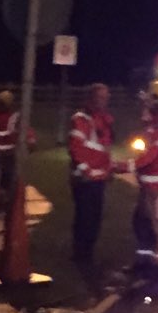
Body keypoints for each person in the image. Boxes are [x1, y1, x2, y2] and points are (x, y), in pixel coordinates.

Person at [116, 79, 158, 270]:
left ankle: (157, 263)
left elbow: (150, 156)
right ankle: (145, 261)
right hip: (153, 187)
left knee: (154, 225)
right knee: (143, 223)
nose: (146, 105)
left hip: (156, 188)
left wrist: (125, 166)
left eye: (149, 101)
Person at [68, 83, 114, 267]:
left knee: (94, 218)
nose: (104, 101)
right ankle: (81, 253)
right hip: (84, 179)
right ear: (92, 98)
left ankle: (87, 251)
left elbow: (104, 150)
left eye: (106, 98)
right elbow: (76, 148)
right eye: (101, 97)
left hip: (97, 179)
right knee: (84, 217)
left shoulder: (104, 120)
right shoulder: (81, 119)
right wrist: (86, 171)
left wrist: (107, 169)